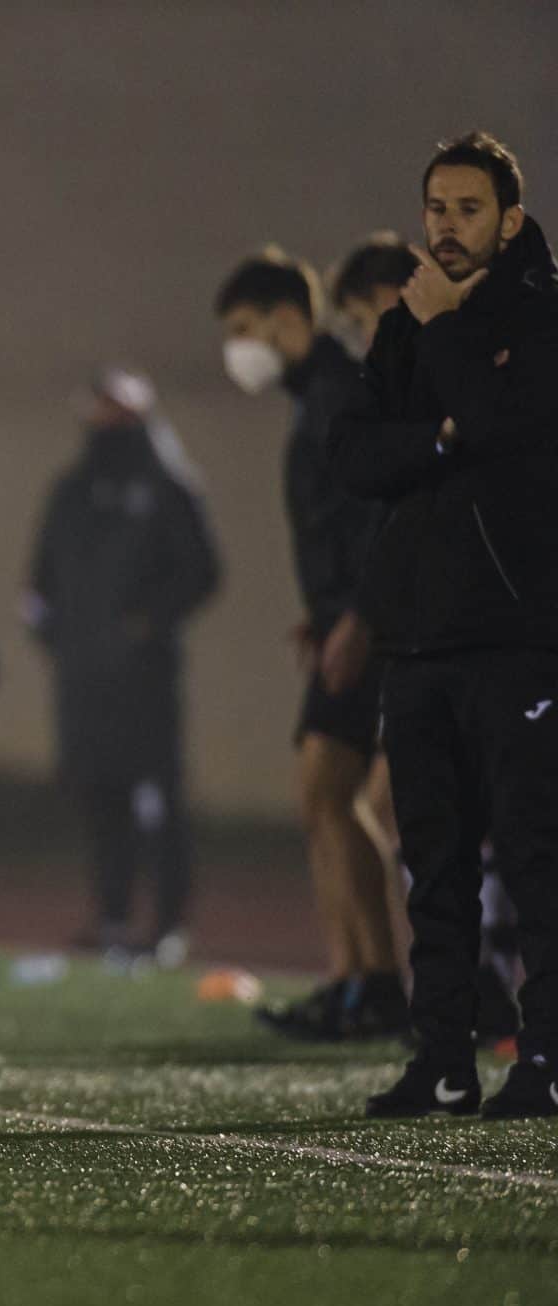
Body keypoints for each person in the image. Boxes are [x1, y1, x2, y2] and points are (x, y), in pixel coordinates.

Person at [332, 131, 558, 1120]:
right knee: (432, 863)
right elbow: (354, 453)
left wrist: (452, 338)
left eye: (466, 210)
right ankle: (443, 1058)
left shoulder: (534, 315)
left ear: (507, 220)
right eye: (434, 208)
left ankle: (543, 1060)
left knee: (531, 854)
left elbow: (511, 429)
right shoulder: (404, 322)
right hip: (418, 638)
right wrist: (440, 436)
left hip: (515, 635)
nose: (445, 227)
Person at [332, 234, 522, 1049]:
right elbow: (385, 485)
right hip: (436, 629)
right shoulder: (403, 373)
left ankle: (489, 987)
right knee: (428, 815)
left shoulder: (497, 352)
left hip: (500, 631)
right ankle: (471, 990)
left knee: (495, 818)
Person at [214, 248, 405, 1033]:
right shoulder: (313, 394)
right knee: (324, 795)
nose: (238, 348)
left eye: (244, 328)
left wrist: (357, 616)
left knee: (331, 792)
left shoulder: (333, 391)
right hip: (344, 619)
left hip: (368, 625)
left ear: (291, 318)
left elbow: (373, 509)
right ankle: (355, 978)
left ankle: (377, 983)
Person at [21, 369, 220, 964]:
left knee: (156, 799)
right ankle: (110, 917)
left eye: (121, 413)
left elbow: (203, 572)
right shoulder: (72, 489)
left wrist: (148, 621)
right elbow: (41, 577)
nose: (108, 425)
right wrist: (52, 631)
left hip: (145, 676)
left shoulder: (169, 486)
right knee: (99, 794)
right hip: (84, 674)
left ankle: (168, 924)